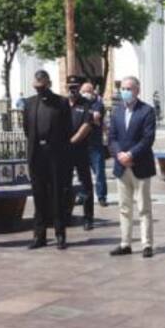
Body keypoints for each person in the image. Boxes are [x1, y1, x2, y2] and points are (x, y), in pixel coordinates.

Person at [23, 70, 72, 250]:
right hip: (37, 156)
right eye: (36, 87)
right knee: (38, 197)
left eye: (42, 86)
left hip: (55, 156)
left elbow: (68, 130)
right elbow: (27, 130)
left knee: (57, 197)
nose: (39, 89)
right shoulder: (29, 103)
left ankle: (60, 234)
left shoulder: (61, 103)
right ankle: (39, 235)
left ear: (48, 84)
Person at [108, 76, 156, 258]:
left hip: (140, 166)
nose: (125, 91)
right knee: (124, 207)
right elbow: (112, 137)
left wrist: (131, 154)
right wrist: (119, 154)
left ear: (137, 90)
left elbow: (147, 138)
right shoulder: (117, 112)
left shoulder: (147, 111)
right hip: (122, 167)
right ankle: (125, 243)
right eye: (123, 88)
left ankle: (147, 244)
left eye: (129, 88)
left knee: (144, 207)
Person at [66, 81, 96, 231]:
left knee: (86, 184)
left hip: (80, 150)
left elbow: (87, 125)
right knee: (64, 183)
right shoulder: (63, 103)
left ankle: (88, 218)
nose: (72, 90)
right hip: (64, 151)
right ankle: (64, 215)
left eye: (75, 87)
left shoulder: (85, 104)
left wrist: (72, 141)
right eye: (70, 87)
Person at [81, 82, 107, 208]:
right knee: (82, 173)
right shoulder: (80, 104)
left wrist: (86, 116)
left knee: (99, 172)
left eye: (88, 91)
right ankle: (82, 195)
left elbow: (96, 117)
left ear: (92, 92)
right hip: (82, 145)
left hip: (95, 145)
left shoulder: (98, 104)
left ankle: (101, 196)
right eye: (83, 91)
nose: (85, 94)